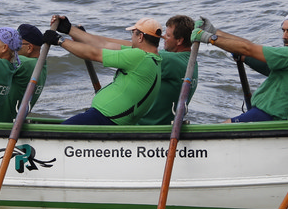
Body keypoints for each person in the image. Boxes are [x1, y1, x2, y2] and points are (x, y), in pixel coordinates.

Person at [54, 14, 198, 125]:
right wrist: (73, 31)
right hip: (156, 123)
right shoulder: (191, 62)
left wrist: (63, 39)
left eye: (168, 35)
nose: (163, 37)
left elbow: (105, 48)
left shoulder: (165, 60)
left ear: (179, 41)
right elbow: (110, 45)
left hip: (145, 127)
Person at [196, 12, 288, 123]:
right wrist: (214, 31)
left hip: (266, 116)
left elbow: (248, 49)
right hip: (274, 118)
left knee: (217, 130)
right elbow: (250, 46)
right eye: (283, 31)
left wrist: (209, 38)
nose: (284, 36)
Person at [0, 23, 49, 122]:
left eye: (16, 43)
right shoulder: (42, 65)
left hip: (0, 123)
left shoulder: (25, 63)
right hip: (13, 120)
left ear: (29, 48)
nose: (12, 46)